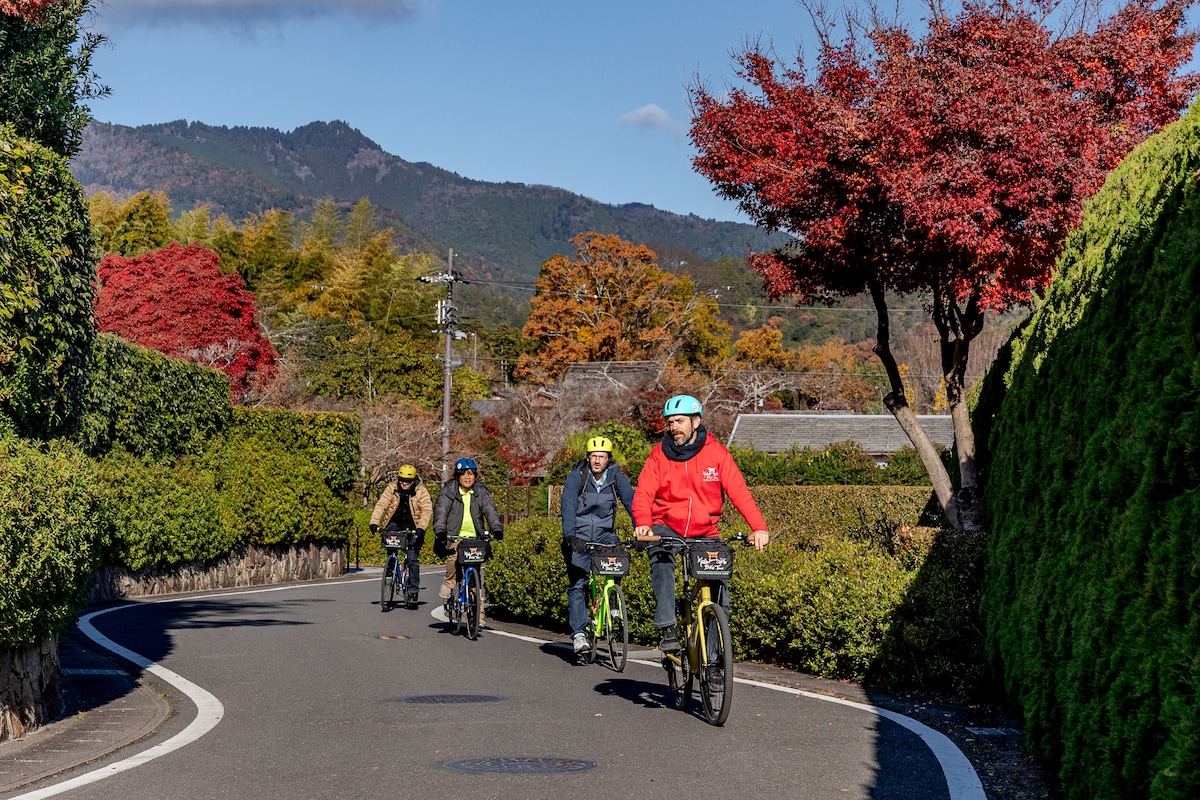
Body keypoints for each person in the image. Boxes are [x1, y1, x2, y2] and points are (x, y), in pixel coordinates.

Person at [632, 394, 769, 653]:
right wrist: (643, 523)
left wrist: (758, 527)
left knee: (721, 594)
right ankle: (667, 628)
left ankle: (715, 662)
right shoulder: (658, 456)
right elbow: (643, 494)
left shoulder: (716, 454)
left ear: (696, 422)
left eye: (680, 421)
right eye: (670, 422)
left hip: (705, 531)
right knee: (661, 560)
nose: (674, 427)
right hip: (666, 526)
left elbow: (739, 492)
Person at [560, 436, 635, 655]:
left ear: (608, 459)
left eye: (601, 457)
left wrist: (641, 528)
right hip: (580, 537)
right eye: (594, 456)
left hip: (604, 535)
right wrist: (570, 536)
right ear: (588, 457)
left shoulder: (616, 478)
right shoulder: (577, 477)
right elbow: (567, 506)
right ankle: (579, 634)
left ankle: (612, 601)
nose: (597, 461)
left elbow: (631, 502)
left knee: (618, 556)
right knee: (579, 583)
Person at [432, 458, 504, 610]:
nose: (467, 477)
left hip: (476, 538)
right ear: (457, 476)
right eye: (463, 474)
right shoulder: (449, 491)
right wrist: (440, 530)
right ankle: (449, 582)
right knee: (454, 558)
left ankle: (479, 615)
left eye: (471, 474)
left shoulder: (481, 492)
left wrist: (496, 529)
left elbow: (490, 511)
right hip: (454, 536)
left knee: (474, 578)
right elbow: (441, 511)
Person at [369, 464, 432, 603]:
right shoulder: (392, 487)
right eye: (401, 480)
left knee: (412, 558)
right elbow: (381, 504)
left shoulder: (421, 491)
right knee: (390, 539)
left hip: (413, 526)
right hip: (395, 523)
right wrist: (374, 522)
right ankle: (391, 565)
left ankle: (413, 590)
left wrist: (421, 528)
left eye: (407, 481)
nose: (404, 483)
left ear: (414, 480)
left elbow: (427, 510)